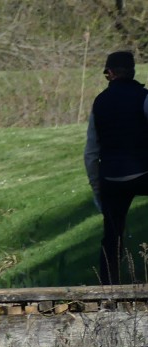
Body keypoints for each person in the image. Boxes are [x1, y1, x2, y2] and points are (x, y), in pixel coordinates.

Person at [84, 50, 148, 285]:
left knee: (112, 237)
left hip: (111, 178)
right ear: (132, 72)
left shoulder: (99, 103)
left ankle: (108, 290)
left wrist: (97, 187)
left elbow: (91, 152)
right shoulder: (144, 97)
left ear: (109, 73)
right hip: (144, 172)